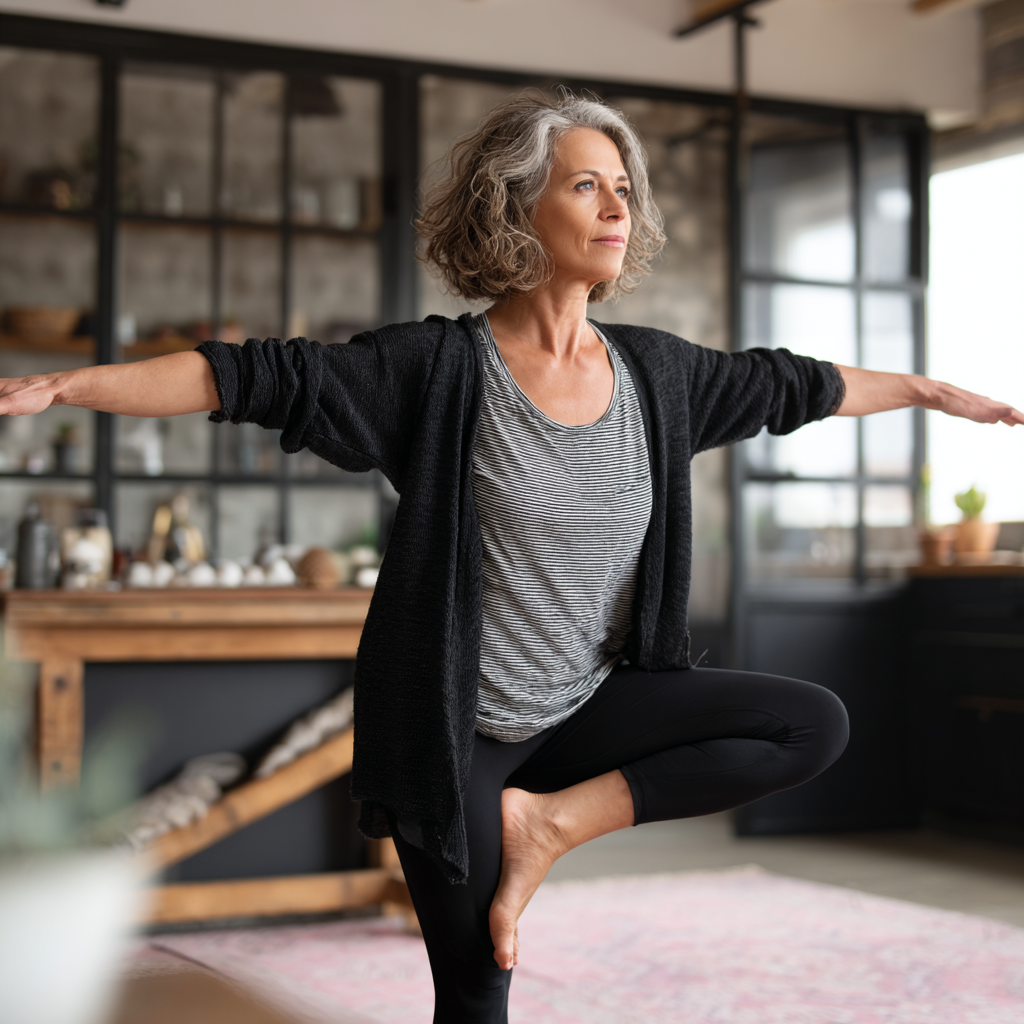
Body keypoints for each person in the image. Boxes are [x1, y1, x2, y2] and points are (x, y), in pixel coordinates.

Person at [1, 92, 1020, 1024]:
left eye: (623, 188)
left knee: (811, 720)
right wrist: (74, 384)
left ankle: (552, 825)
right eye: (586, 184)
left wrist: (929, 393)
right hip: (458, 732)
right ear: (516, 206)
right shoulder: (436, 371)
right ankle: (515, 836)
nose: (616, 205)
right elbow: (251, 376)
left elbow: (794, 385)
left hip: (586, 710)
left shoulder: (657, 377)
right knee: (479, 993)